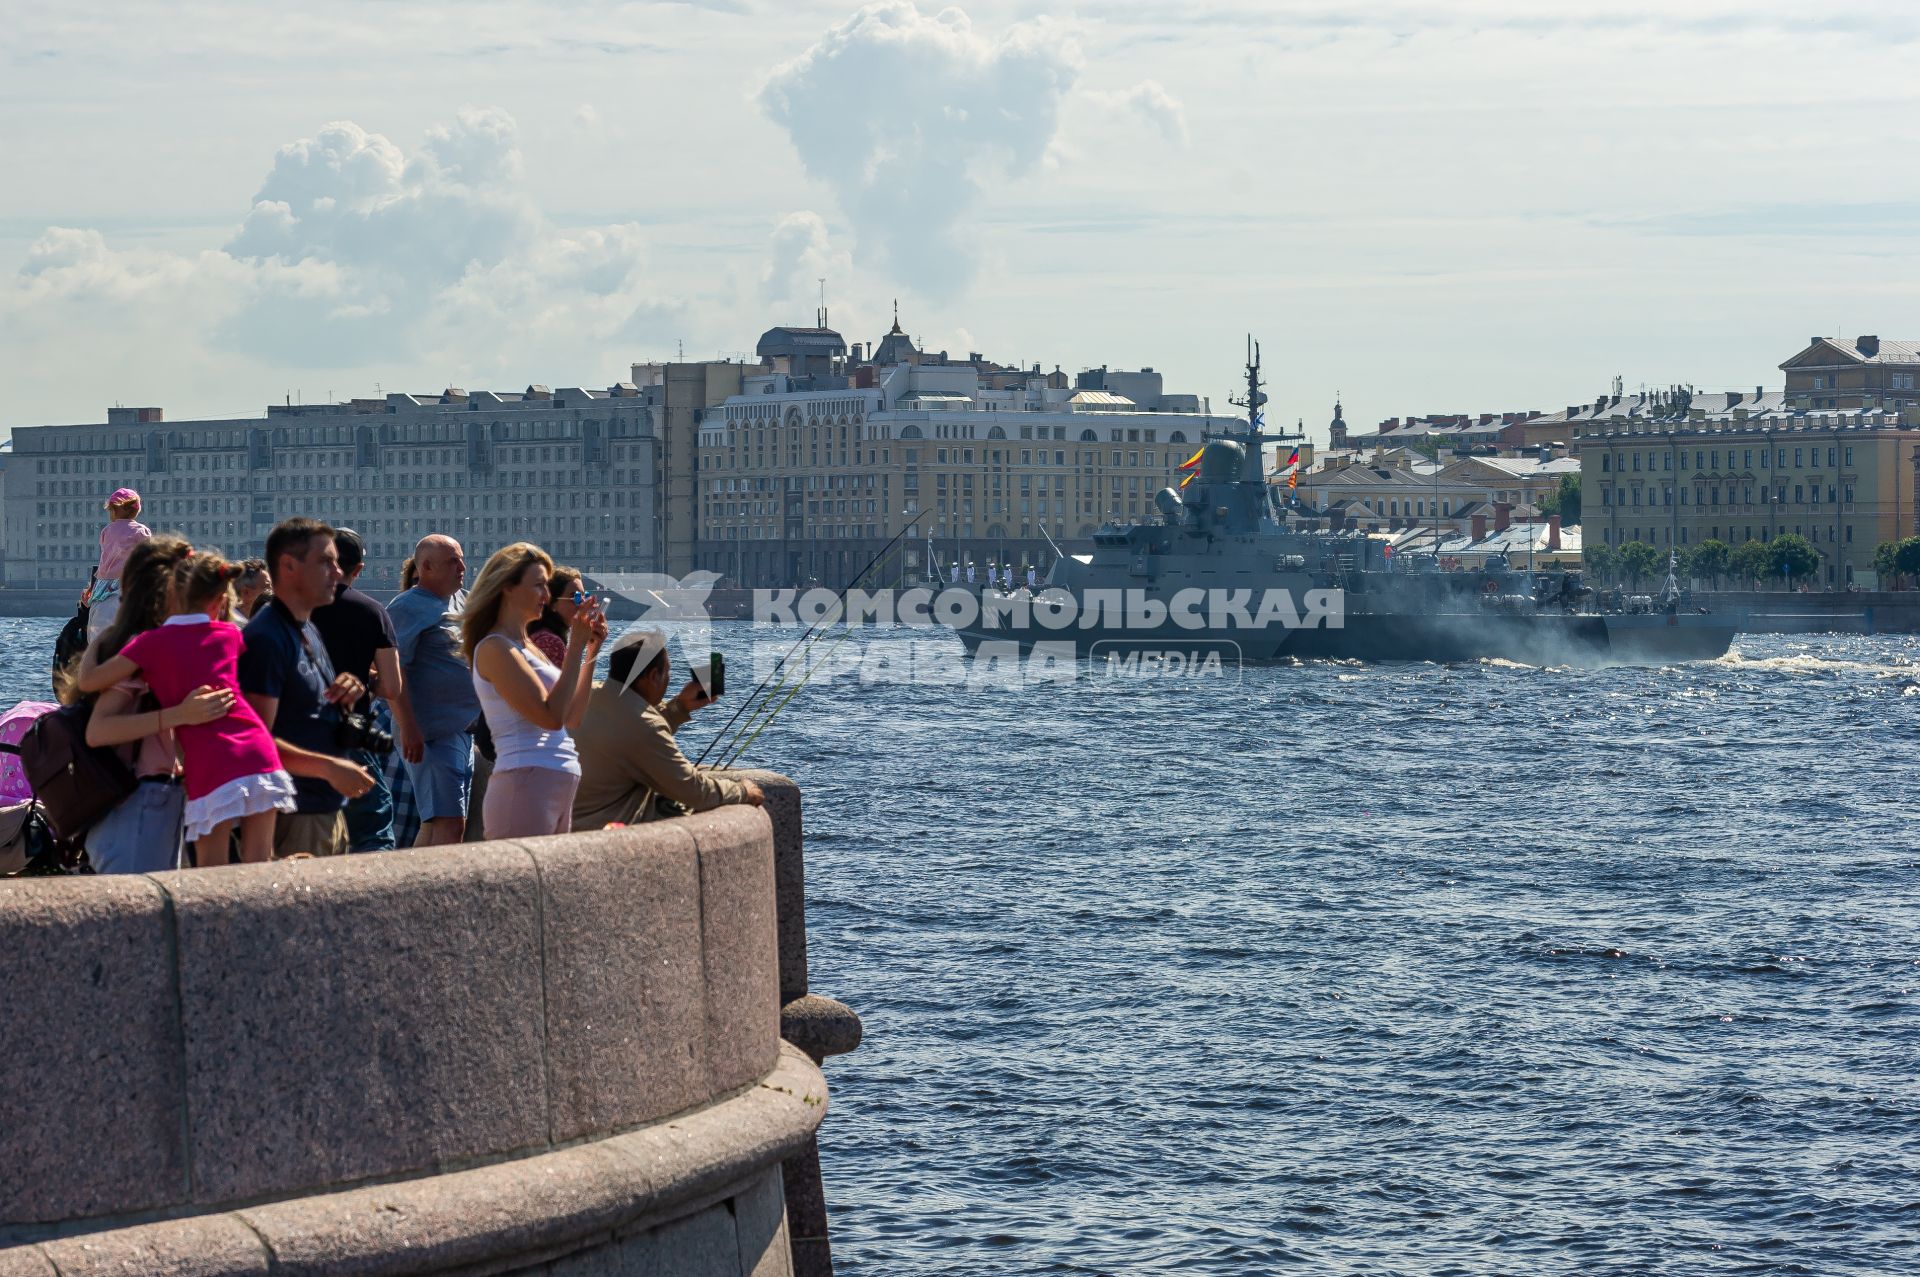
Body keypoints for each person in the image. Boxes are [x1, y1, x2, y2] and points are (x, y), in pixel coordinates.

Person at [80, 550, 299, 864]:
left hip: (211, 759)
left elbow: (88, 681)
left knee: (212, 877)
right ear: (221, 600)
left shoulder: (151, 643)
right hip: (258, 751)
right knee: (259, 868)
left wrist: (100, 639)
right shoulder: (230, 634)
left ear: (171, 592)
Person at [79, 535, 234, 873]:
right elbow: (99, 730)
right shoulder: (140, 648)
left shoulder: (134, 641)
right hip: (139, 802)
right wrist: (179, 715)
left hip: (157, 800)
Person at [238, 518, 375, 858]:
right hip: (295, 814)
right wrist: (328, 767)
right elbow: (255, 742)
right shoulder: (267, 638)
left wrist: (348, 692)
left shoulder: (306, 629)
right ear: (288, 566)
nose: (337, 571)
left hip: (323, 808)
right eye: (325, 562)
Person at [464, 543, 605, 839]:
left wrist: (591, 649)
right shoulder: (495, 647)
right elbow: (550, 717)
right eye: (539, 585)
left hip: (553, 782)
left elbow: (573, 717)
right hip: (524, 781)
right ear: (507, 587)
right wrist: (576, 644)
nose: (547, 595)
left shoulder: (529, 647)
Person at [572, 629, 763, 830]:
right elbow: (694, 791)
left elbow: (625, 733)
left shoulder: (586, 695)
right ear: (654, 675)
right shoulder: (646, 726)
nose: (669, 678)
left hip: (562, 829)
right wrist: (742, 791)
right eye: (668, 671)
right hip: (605, 836)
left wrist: (680, 707)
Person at [312, 528, 413, 853]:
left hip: (296, 739)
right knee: (373, 832)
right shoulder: (371, 612)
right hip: (349, 737)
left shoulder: (290, 607)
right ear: (358, 570)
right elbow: (392, 685)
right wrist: (364, 680)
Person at [388, 534, 480, 847]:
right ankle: (440, 893)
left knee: (442, 825)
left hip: (461, 730)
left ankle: (412, 892)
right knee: (447, 825)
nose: (462, 567)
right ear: (426, 566)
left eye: (462, 559)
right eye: (453, 561)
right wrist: (408, 728)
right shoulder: (407, 607)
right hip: (430, 735)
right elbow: (393, 671)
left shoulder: (461, 599)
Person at [85, 488, 153, 642]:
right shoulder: (141, 531)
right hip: (128, 581)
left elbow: (105, 559)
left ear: (114, 511)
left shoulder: (106, 531)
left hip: (103, 584)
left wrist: (92, 588)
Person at [528, 565, 583, 666]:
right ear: (552, 603)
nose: (583, 603)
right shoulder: (550, 642)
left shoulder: (543, 635)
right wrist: (578, 644)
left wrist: (593, 648)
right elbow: (567, 682)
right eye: (576, 597)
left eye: (584, 596)